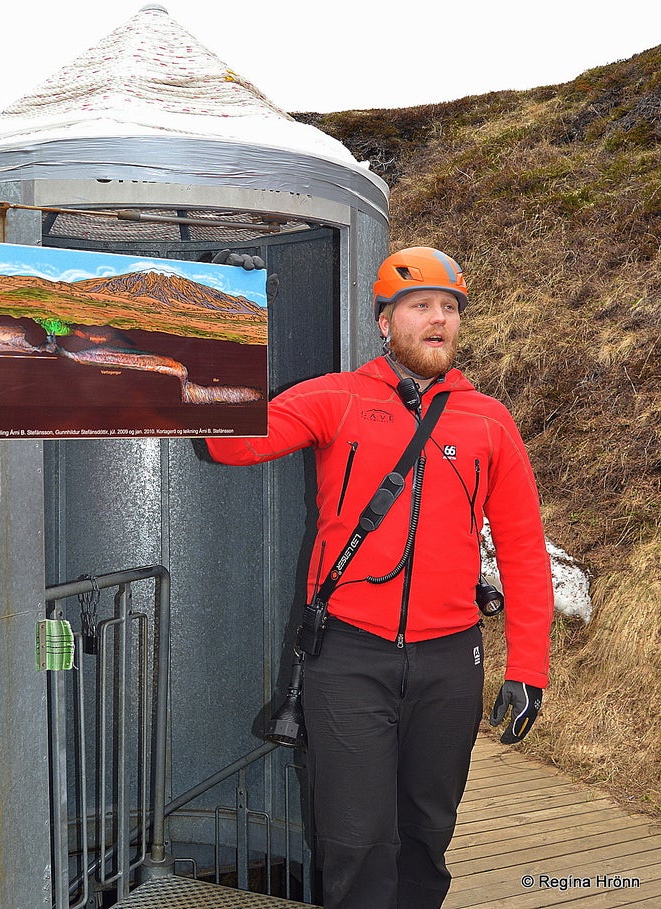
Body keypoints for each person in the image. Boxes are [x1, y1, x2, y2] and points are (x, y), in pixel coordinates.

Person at [206, 247, 553, 909]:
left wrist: (527, 666)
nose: (437, 319)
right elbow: (229, 441)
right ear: (384, 323)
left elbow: (522, 550)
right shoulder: (337, 397)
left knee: (426, 833)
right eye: (419, 305)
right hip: (348, 655)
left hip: (450, 660)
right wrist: (225, 308)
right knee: (355, 838)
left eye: (448, 307)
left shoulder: (489, 421)